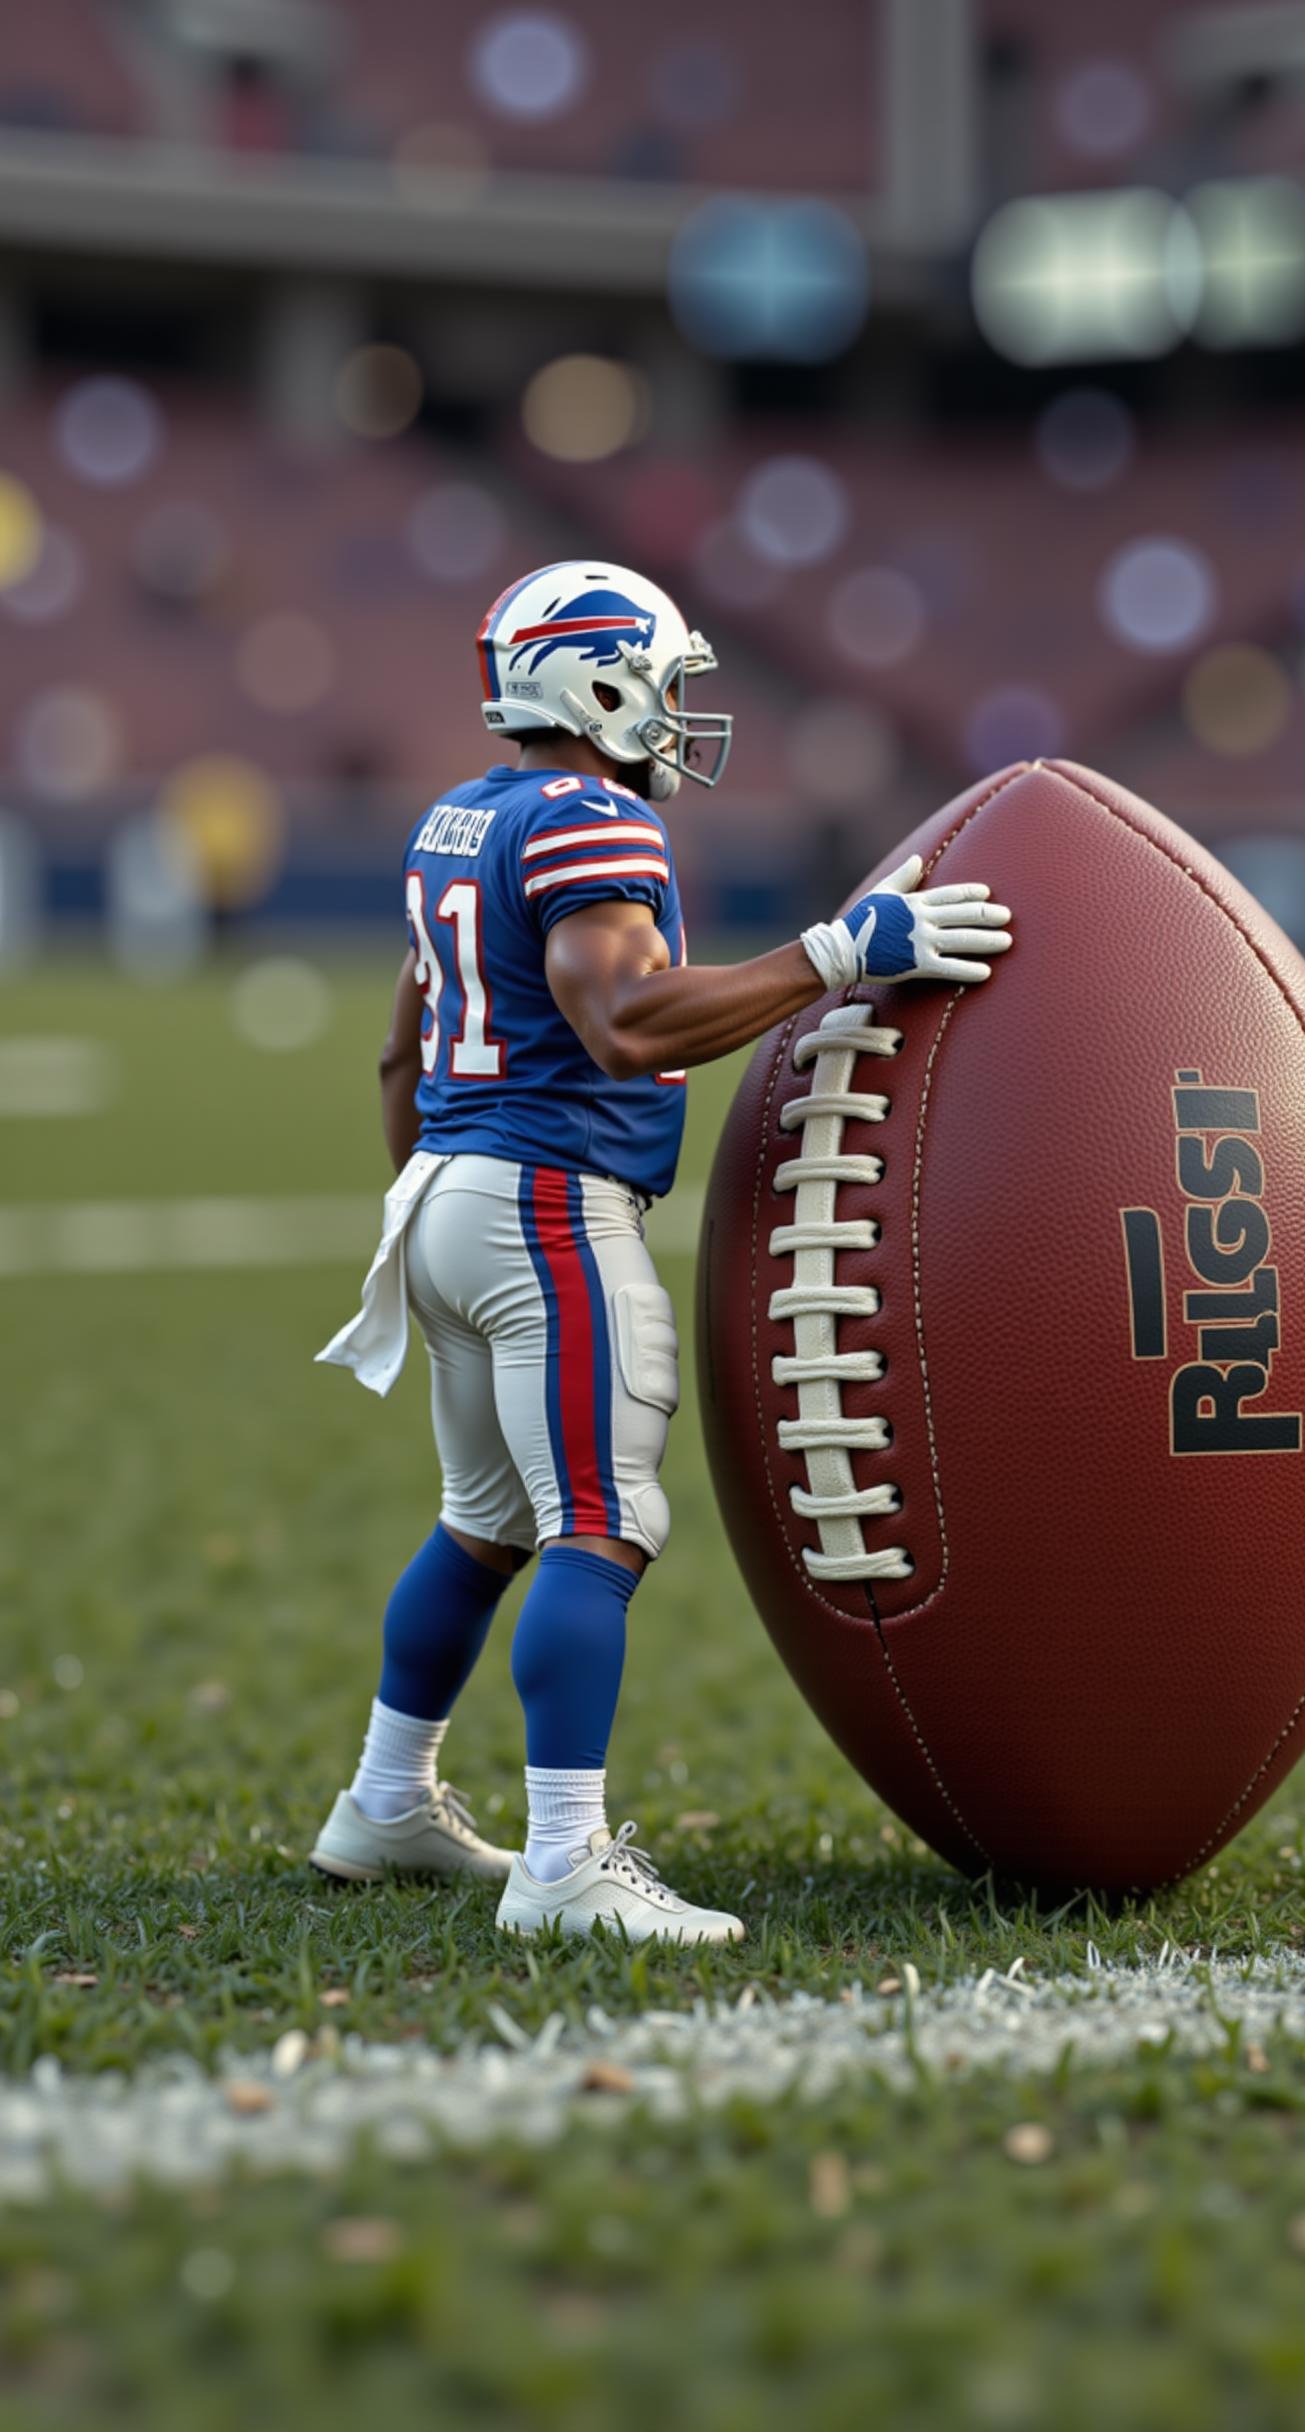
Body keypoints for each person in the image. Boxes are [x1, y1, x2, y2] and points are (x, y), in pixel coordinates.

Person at [310, 558, 1013, 1942]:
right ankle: (565, 1861)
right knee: (601, 1523)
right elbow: (627, 1022)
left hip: (447, 1192)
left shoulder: (460, 816)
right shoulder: (591, 819)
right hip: (545, 1203)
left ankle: (384, 1802)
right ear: (603, 681)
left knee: (488, 1521)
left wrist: (444, 1202)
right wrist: (837, 950)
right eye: (669, 679)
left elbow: (402, 1051)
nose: (682, 711)